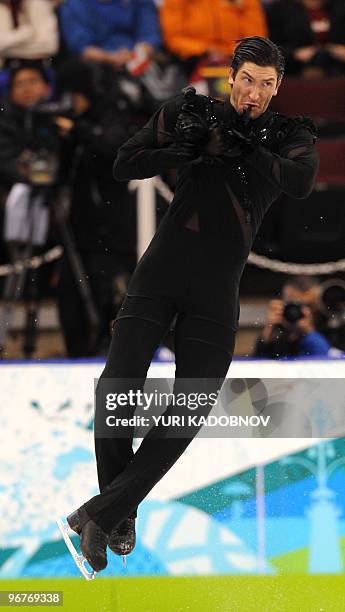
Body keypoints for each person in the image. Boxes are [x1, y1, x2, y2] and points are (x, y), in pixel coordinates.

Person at [58, 36, 319, 576]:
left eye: (267, 84)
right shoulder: (191, 112)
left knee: (193, 407)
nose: (255, 93)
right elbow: (125, 164)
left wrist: (243, 148)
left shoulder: (287, 135)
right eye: (247, 80)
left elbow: (299, 182)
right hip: (161, 272)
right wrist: (188, 149)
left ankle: (99, 512)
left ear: (278, 87)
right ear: (231, 76)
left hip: (217, 287)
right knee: (118, 387)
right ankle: (117, 513)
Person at [54, 60, 139, 357]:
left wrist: (79, 130)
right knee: (70, 293)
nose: (70, 103)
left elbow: (111, 149)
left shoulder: (111, 116)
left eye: (74, 96)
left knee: (108, 292)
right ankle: (76, 351)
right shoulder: (75, 121)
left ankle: (107, 350)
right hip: (77, 231)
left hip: (108, 230)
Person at [59, 0, 161, 70]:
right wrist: (111, 58)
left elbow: (150, 33)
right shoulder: (74, 6)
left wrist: (137, 55)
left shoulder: (139, 2)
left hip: (141, 61)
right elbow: (82, 47)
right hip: (98, 67)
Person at [253, 275, 332, 358]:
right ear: (283, 303)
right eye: (294, 305)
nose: (301, 311)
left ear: (319, 305)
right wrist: (267, 334)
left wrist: (309, 332)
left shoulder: (330, 327)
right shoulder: (278, 331)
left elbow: (328, 361)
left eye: (309, 306)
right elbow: (258, 366)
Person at [265, 0, 345, 77]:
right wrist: (295, 54)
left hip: (337, 71)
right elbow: (270, 49)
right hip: (294, 72)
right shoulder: (279, 9)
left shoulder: (340, 7)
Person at [0, 0, 58, 67]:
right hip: (6, 68)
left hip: (39, 65)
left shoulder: (38, 4)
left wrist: (7, 49)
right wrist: (26, 32)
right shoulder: (2, 8)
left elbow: (50, 46)